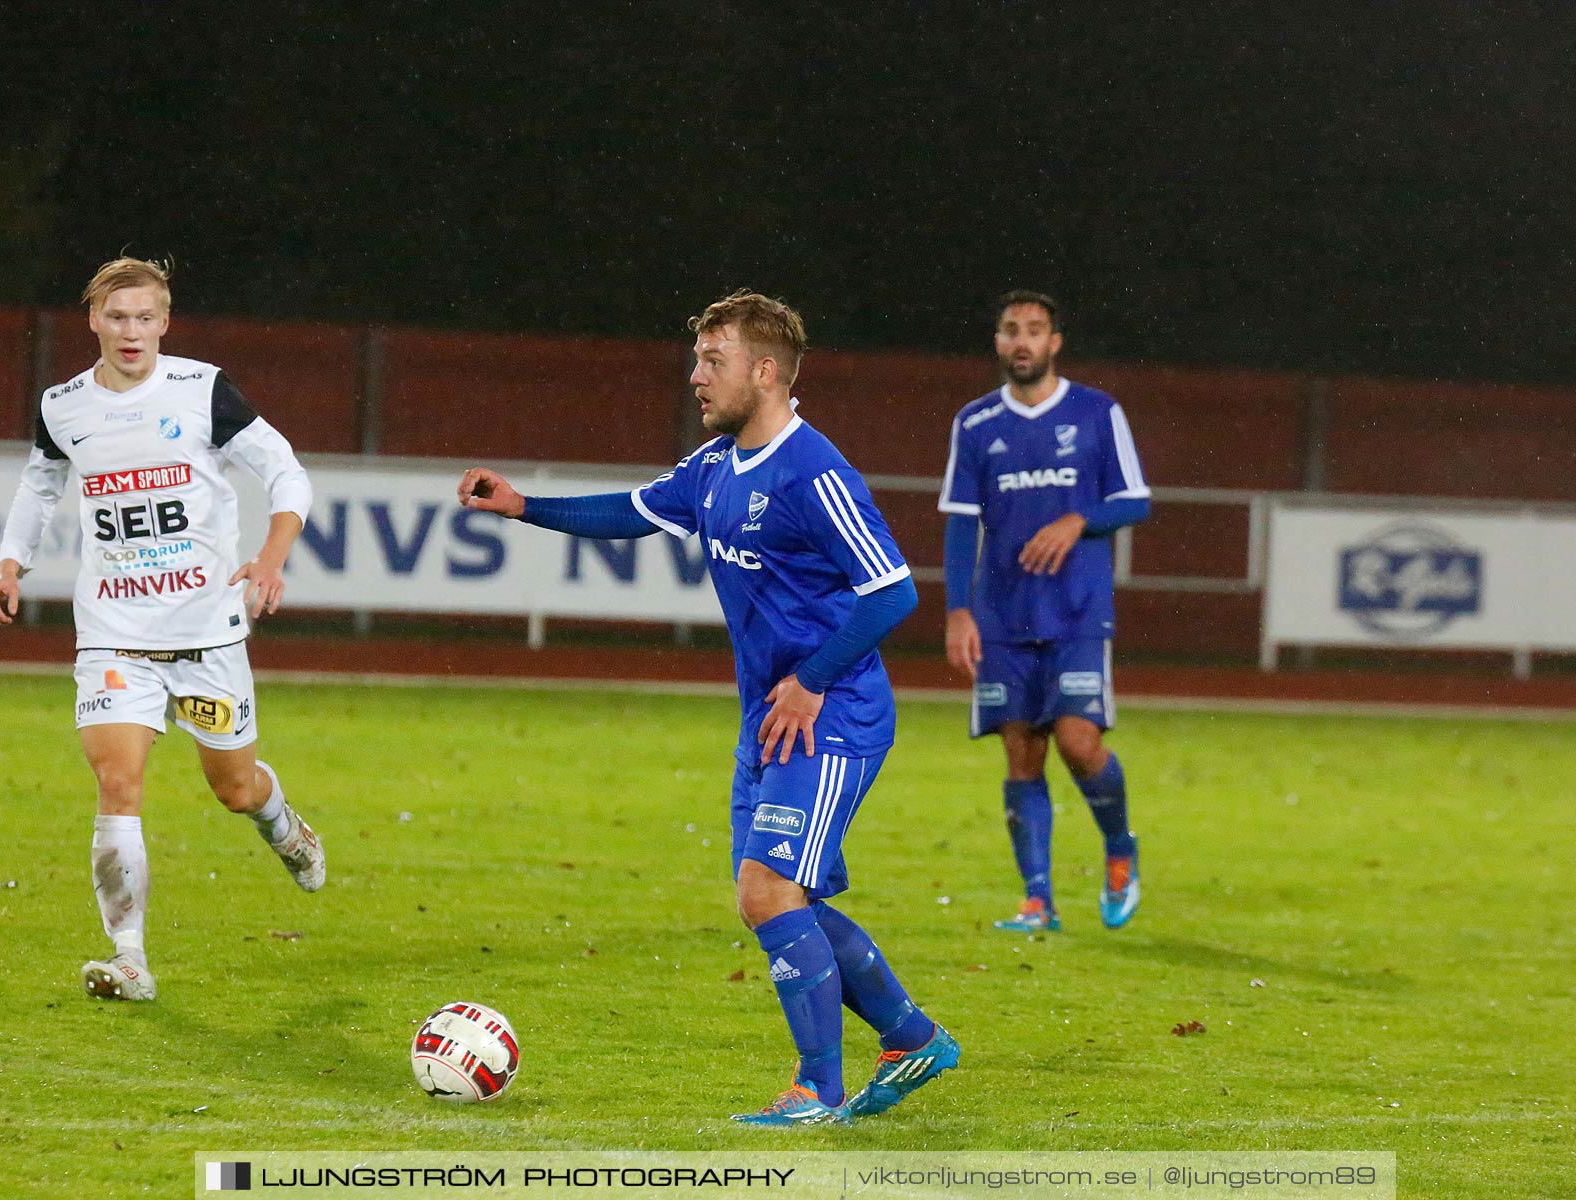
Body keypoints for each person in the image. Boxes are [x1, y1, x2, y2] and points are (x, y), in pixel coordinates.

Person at [458, 289, 956, 1127]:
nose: (695, 377)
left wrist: (813, 678)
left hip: (831, 716)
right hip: (768, 719)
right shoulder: (716, 467)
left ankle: (817, 1089)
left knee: (768, 892)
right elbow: (635, 512)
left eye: (712, 361)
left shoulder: (815, 472)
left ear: (764, 372)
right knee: (774, 897)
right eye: (697, 359)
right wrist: (523, 507)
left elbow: (892, 593)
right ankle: (910, 1038)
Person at [0, 256, 324, 1002]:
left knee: (233, 789)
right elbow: (39, 485)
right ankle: (129, 958)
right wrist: (11, 566)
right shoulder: (64, 405)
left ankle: (280, 821)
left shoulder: (202, 390)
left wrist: (270, 555)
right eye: (116, 317)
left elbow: (287, 472)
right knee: (117, 781)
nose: (130, 331)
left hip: (205, 635)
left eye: (144, 318)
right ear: (93, 322)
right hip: (114, 632)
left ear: (164, 323)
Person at [938, 290, 1151, 933]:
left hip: (1078, 608)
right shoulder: (975, 424)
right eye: (1011, 330)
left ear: (1055, 342)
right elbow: (959, 523)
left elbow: (1135, 500)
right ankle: (1038, 901)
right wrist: (957, 611)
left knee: (1078, 741)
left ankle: (1120, 850)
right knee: (1021, 753)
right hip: (1002, 613)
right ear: (998, 342)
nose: (1022, 341)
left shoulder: (1096, 412)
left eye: (1034, 330)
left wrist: (1079, 518)